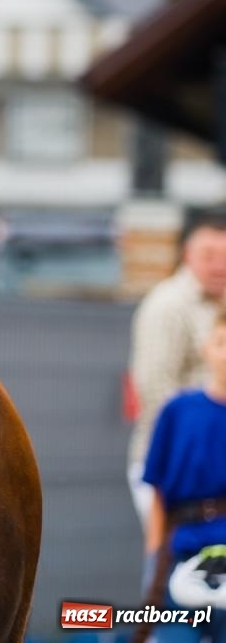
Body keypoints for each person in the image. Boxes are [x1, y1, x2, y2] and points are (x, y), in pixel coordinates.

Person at [129, 216, 226, 526]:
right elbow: (157, 392)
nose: (219, 266)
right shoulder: (167, 306)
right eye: (209, 256)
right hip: (177, 467)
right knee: (176, 562)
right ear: (187, 255)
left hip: (217, 466)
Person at [141, 308, 226, 640]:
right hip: (182, 555)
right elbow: (159, 492)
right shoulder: (177, 411)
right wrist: (153, 558)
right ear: (206, 348)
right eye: (221, 342)